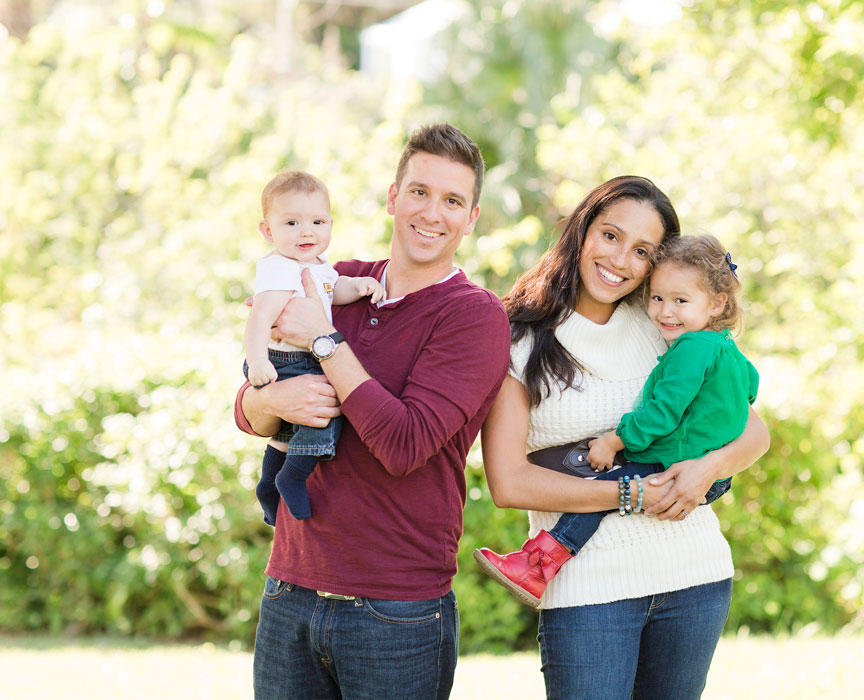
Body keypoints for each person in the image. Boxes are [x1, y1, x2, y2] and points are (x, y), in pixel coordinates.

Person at [233, 123, 511, 700]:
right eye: (419, 192)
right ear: (392, 197)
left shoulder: (473, 316)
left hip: (396, 610)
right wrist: (269, 400)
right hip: (290, 589)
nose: (431, 213)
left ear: (471, 217)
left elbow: (404, 445)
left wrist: (327, 342)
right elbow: (248, 406)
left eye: (452, 200)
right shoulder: (336, 280)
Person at [475, 176, 770, 700]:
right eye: (610, 235)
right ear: (583, 230)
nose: (620, 260)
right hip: (589, 592)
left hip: (692, 577)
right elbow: (508, 482)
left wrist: (707, 468)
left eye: (643, 250)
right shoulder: (517, 335)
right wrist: (628, 493)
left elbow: (753, 431)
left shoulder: (664, 320)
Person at [475, 233, 758, 607]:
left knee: (610, 491)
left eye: (680, 301)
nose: (665, 312)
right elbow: (750, 389)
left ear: (717, 302)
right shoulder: (725, 348)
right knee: (616, 491)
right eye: (657, 298)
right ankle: (539, 561)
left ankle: (539, 562)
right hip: (705, 475)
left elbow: (662, 412)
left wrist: (615, 441)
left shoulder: (689, 346)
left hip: (673, 462)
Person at [244, 170, 385, 525]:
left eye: (317, 221)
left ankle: (269, 484)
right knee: (323, 414)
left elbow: (333, 292)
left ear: (330, 225)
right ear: (267, 231)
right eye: (291, 222)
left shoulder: (318, 266)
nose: (306, 231)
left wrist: (360, 287)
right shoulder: (280, 269)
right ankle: (292, 476)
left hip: (301, 357)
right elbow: (259, 318)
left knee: (287, 430)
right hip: (283, 359)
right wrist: (257, 360)